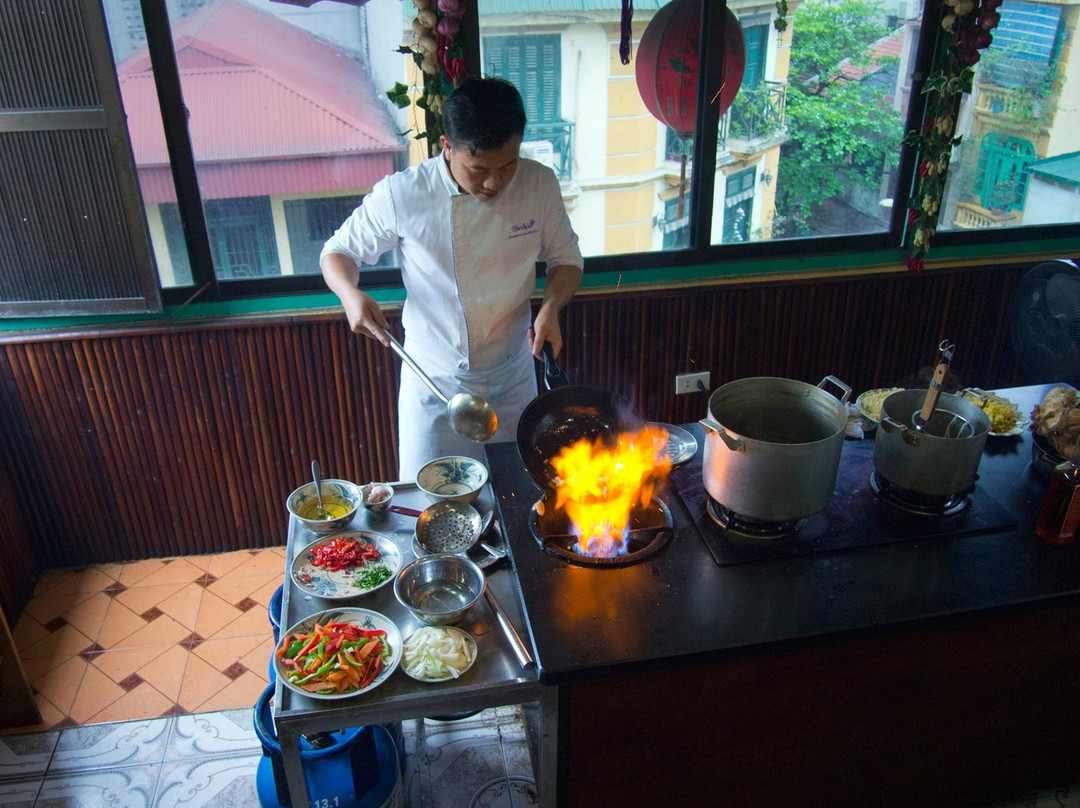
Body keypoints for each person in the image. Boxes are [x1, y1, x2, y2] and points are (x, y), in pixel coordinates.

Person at [321, 77, 584, 479]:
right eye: (478, 170)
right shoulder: (405, 194)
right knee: (429, 506)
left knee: (517, 496)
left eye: (507, 165)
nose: (495, 182)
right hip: (434, 381)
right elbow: (337, 253)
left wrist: (550, 307)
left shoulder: (538, 184)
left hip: (512, 375)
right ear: (447, 146)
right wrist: (348, 293)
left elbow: (566, 259)